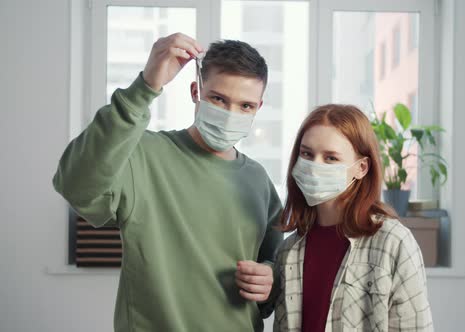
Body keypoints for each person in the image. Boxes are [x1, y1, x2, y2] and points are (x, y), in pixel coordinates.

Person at [52, 33, 283, 332]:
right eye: (218, 99)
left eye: (246, 106)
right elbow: (74, 184)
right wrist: (145, 87)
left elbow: (277, 274)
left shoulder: (258, 180)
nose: (230, 114)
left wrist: (269, 279)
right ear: (195, 91)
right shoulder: (143, 154)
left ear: (259, 107)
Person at [269, 104, 433, 331]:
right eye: (307, 154)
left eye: (331, 158)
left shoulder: (394, 243)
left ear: (361, 168)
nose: (314, 166)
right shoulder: (289, 250)